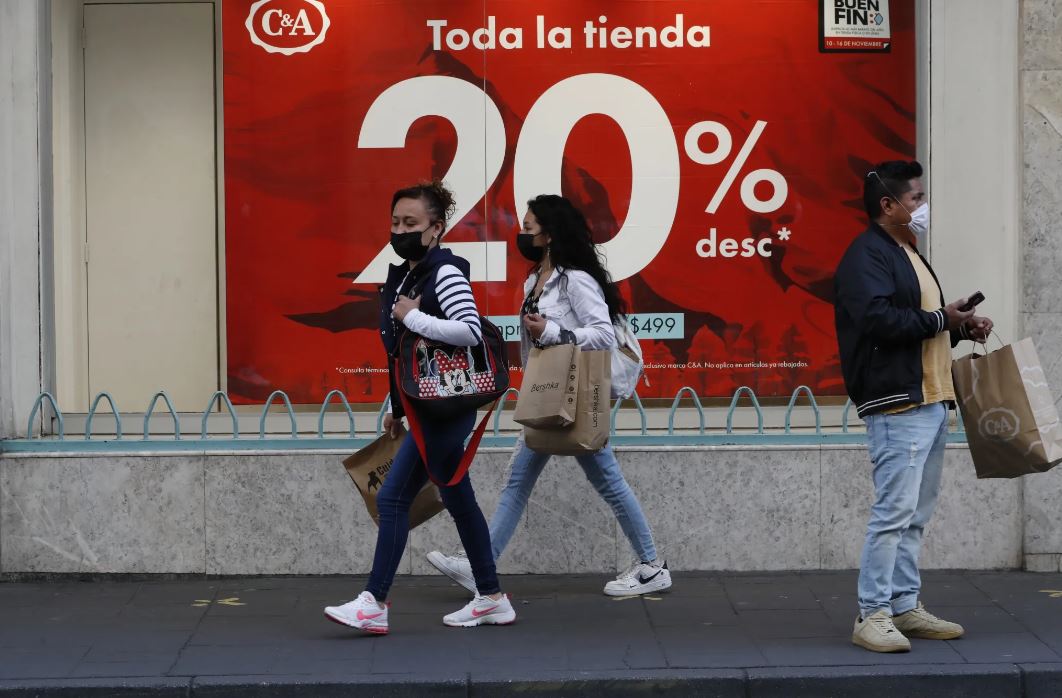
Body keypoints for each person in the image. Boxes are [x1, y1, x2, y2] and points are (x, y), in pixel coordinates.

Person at [427, 194, 671, 597]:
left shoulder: (575, 279)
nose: (520, 234)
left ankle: (651, 565)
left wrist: (555, 332)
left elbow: (604, 334)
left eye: (528, 228)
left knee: (600, 479)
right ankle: (480, 563)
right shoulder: (535, 278)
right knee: (521, 479)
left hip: (575, 395)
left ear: (551, 235)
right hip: (552, 392)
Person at [324, 181, 515, 633]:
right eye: (395, 222)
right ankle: (491, 596)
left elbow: (468, 331)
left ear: (435, 229)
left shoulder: (443, 273)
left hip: (445, 412)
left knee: (392, 498)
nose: (400, 230)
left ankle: (374, 603)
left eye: (411, 223)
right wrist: (399, 406)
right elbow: (409, 353)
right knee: (457, 497)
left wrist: (412, 315)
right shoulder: (410, 274)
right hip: (430, 410)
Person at [834, 160, 992, 653]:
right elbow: (879, 319)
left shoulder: (906, 252)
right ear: (889, 205)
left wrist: (960, 325)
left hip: (929, 397)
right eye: (916, 198)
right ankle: (872, 613)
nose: (922, 207)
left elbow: (918, 321)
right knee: (893, 512)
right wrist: (940, 317)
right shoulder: (866, 256)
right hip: (897, 403)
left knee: (915, 513)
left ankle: (904, 605)